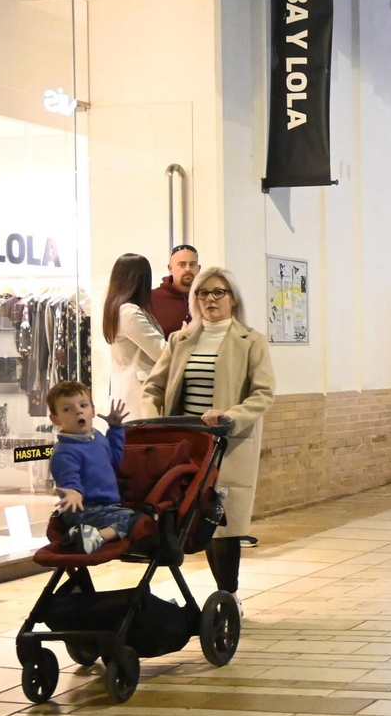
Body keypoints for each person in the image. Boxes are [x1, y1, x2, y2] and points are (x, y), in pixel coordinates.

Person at [144, 267, 275, 594]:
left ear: (233, 299)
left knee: (225, 524)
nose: (210, 299)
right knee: (195, 518)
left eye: (219, 293)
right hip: (187, 444)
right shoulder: (180, 339)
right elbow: (153, 388)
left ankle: (228, 596)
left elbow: (263, 393)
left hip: (228, 443)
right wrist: (152, 421)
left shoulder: (251, 341)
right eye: (203, 293)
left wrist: (231, 416)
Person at [47, 382, 136, 554]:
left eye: (83, 405)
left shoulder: (98, 438)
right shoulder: (64, 451)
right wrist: (72, 491)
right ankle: (98, 537)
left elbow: (114, 459)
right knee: (136, 520)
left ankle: (82, 535)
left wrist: (116, 429)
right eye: (67, 409)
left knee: (135, 517)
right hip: (85, 510)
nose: (78, 411)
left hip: (107, 508)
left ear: (93, 411)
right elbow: (68, 477)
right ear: (56, 419)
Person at [102, 254, 168, 422]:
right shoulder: (129, 312)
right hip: (136, 393)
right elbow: (160, 351)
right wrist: (184, 337)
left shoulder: (117, 308)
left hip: (127, 390)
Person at [151, 243, 200, 336]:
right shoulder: (152, 299)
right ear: (170, 268)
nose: (188, 269)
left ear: (199, 268)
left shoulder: (207, 298)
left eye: (192, 264)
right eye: (182, 264)